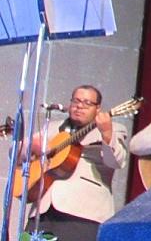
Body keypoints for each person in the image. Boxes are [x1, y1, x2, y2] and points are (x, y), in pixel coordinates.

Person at [27, 85, 129, 241]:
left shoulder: (114, 129)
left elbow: (116, 162)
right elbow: (19, 154)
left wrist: (107, 134)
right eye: (76, 101)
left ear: (98, 108)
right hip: (43, 210)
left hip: (83, 213)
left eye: (87, 103)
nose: (79, 106)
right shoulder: (52, 128)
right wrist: (27, 148)